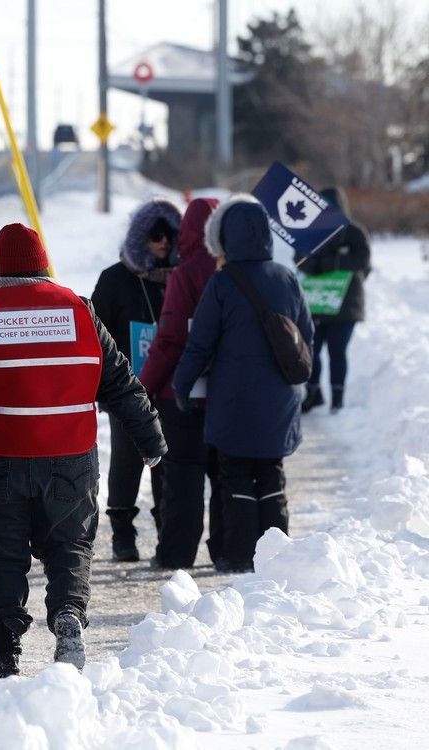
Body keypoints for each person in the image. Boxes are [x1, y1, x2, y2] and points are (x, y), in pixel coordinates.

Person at [0, 223, 166, 678]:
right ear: (44, 266)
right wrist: (150, 438)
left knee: (2, 554)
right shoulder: (79, 310)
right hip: (70, 457)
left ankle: (4, 650)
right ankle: (68, 616)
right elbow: (120, 380)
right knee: (69, 544)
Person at [172, 195, 313, 574]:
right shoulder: (286, 278)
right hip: (278, 400)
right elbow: (306, 336)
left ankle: (237, 555)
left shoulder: (222, 283)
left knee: (235, 475)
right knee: (271, 473)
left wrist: (181, 386)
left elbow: (199, 344)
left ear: (224, 237)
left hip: (232, 402)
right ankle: (277, 555)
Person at [91, 198, 181, 562]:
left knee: (167, 461)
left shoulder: (179, 278)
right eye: (156, 235)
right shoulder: (115, 279)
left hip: (171, 388)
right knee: (127, 464)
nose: (163, 242)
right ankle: (123, 535)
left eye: (170, 235)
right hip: (127, 389)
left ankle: (167, 531)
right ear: (140, 237)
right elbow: (95, 333)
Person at [138, 198, 222, 569]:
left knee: (184, 480)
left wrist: (143, 388)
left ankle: (177, 554)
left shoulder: (186, 274)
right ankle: (224, 549)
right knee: (225, 477)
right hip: (225, 395)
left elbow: (169, 340)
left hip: (181, 394)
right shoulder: (229, 269)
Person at [298, 186, 371, 414]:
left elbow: (362, 261)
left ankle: (337, 399)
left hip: (345, 306)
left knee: (337, 352)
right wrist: (332, 261)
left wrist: (326, 264)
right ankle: (313, 392)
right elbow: (301, 260)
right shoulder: (310, 232)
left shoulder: (354, 233)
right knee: (311, 351)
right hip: (317, 304)